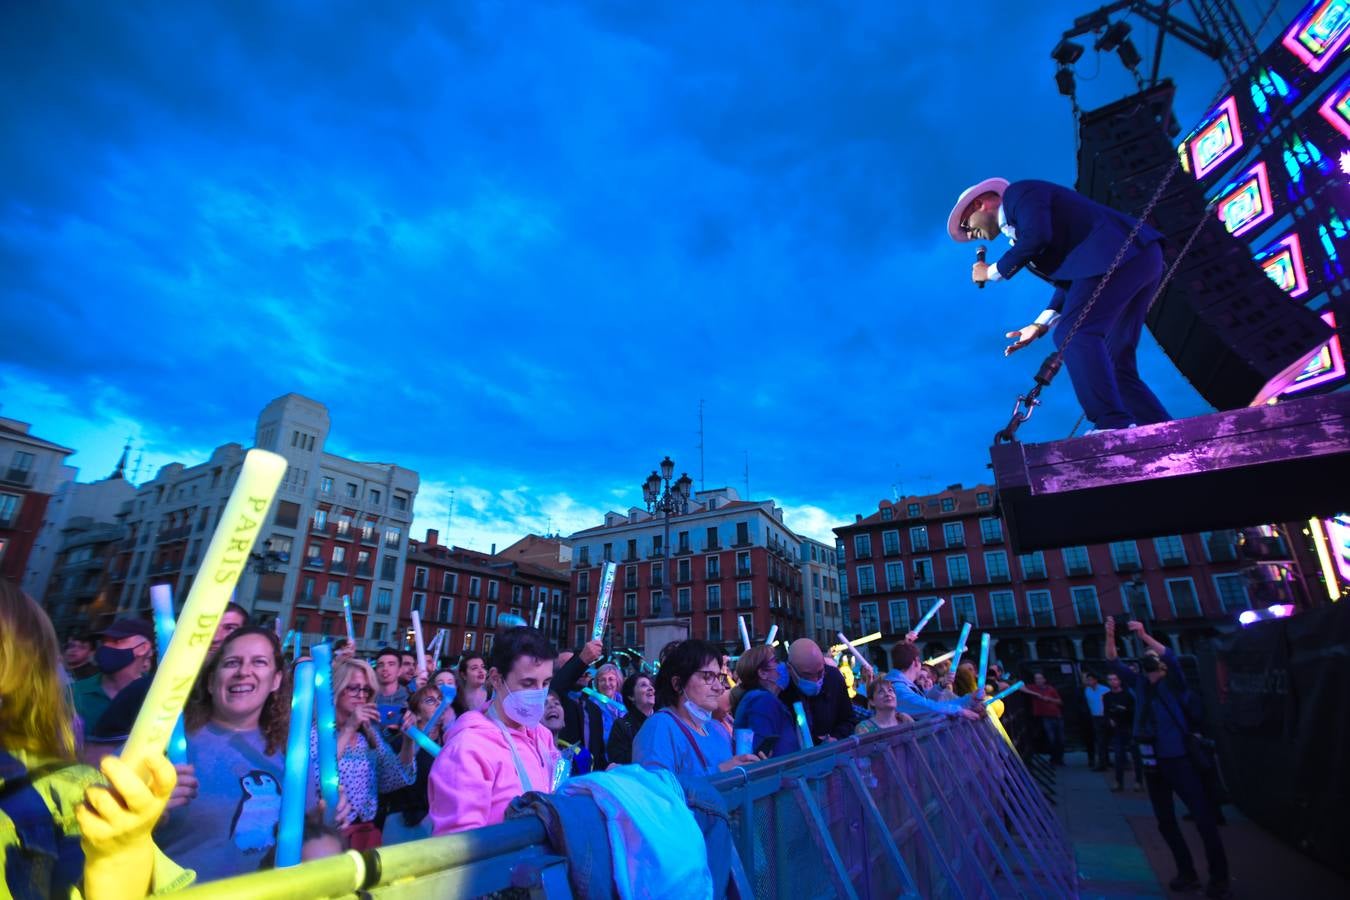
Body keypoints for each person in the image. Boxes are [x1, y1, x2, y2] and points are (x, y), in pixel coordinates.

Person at [0, 579, 189, 899]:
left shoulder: (60, 794)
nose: (107, 650)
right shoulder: (78, 692)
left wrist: (123, 853)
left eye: (117, 643)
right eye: (105, 643)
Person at [949, 177, 1171, 433]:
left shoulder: (1020, 195)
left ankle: (1112, 423)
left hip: (1119, 254)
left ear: (980, 203)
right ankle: (1164, 430)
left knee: (1074, 334)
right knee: (1114, 360)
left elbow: (1037, 238)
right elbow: (1070, 283)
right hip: (1136, 258)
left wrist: (991, 272)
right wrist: (1039, 325)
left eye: (966, 225)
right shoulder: (1022, 234)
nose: (969, 234)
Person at [1106, 617, 1228, 898]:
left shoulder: (1174, 684)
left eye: (1153, 657)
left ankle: (1219, 877)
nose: (1150, 658)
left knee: (1203, 818)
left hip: (1180, 759)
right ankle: (1186, 871)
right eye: (1146, 656)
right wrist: (1110, 635)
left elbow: (1170, 655)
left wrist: (1145, 637)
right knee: (1165, 821)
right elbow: (1112, 662)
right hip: (1153, 761)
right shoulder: (1139, 684)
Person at [158, 626, 291, 882]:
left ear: (276, 680)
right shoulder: (162, 741)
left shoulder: (290, 750)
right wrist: (148, 809)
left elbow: (304, 829)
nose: (243, 672)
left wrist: (324, 813)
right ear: (210, 681)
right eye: (232, 663)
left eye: (259, 662)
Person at [427, 627, 560, 834]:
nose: (539, 694)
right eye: (528, 683)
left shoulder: (542, 735)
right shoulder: (467, 750)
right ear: (496, 679)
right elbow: (458, 848)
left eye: (546, 683)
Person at [633, 639, 761, 779]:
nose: (719, 687)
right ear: (677, 684)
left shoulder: (716, 728)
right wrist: (720, 772)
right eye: (707, 677)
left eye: (718, 677)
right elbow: (655, 791)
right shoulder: (659, 728)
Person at [328, 656, 417, 849]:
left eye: (366, 689)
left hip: (366, 834)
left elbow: (393, 779)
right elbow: (318, 776)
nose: (361, 695)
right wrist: (349, 727)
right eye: (353, 688)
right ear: (337, 688)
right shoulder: (319, 732)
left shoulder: (369, 734)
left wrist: (408, 740)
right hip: (327, 835)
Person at [377, 683, 446, 845]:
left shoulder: (449, 741)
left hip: (436, 824)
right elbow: (393, 781)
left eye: (440, 700)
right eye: (430, 700)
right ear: (418, 714)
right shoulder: (399, 743)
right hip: (401, 823)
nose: (437, 703)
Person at [70, 618, 155, 741]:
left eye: (116, 641)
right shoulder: (71, 694)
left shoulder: (156, 694)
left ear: (143, 648)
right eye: (104, 642)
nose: (106, 647)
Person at [777, 639, 856, 743]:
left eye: (820, 673)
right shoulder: (781, 690)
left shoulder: (833, 677)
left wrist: (836, 737)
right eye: (807, 675)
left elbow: (849, 720)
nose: (815, 681)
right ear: (790, 669)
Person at [886, 643, 984, 721]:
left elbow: (931, 703)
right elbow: (927, 707)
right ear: (916, 661)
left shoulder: (902, 686)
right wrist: (960, 710)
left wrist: (969, 699)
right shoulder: (897, 688)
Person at [731, 646, 800, 757]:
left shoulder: (757, 698)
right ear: (762, 673)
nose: (783, 665)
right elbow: (762, 753)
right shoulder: (763, 701)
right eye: (776, 661)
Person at [605, 672, 656, 766]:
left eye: (651, 685)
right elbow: (617, 760)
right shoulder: (621, 726)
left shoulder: (663, 721)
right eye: (644, 685)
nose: (651, 689)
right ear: (631, 696)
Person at [1104, 672, 1143, 792]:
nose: (1112, 682)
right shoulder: (1107, 696)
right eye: (1110, 679)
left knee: (1136, 756)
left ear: (1119, 681)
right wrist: (1109, 719)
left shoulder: (1127, 695)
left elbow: (1134, 711)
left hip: (1129, 727)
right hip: (1118, 728)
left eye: (1115, 679)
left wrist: (1124, 710)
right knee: (1118, 756)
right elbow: (1106, 711)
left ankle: (1138, 782)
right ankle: (1118, 782)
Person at [1023, 672, 1065, 765]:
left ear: (1044, 679)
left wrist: (1049, 699)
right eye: (1036, 678)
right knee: (1051, 738)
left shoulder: (1050, 689)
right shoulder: (1033, 687)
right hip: (1045, 717)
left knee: (1061, 739)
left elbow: (1060, 701)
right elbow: (1021, 687)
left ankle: (1060, 759)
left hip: (1056, 715)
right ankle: (1054, 758)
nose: (1038, 680)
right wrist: (1035, 694)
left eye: (1040, 678)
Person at [1083, 671, 1110, 771]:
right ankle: (1103, 762)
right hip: (1095, 717)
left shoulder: (1105, 690)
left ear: (1095, 680)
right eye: (1087, 680)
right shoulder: (1087, 690)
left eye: (1090, 680)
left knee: (1105, 740)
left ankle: (1105, 761)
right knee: (1100, 740)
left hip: (1105, 716)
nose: (1088, 682)